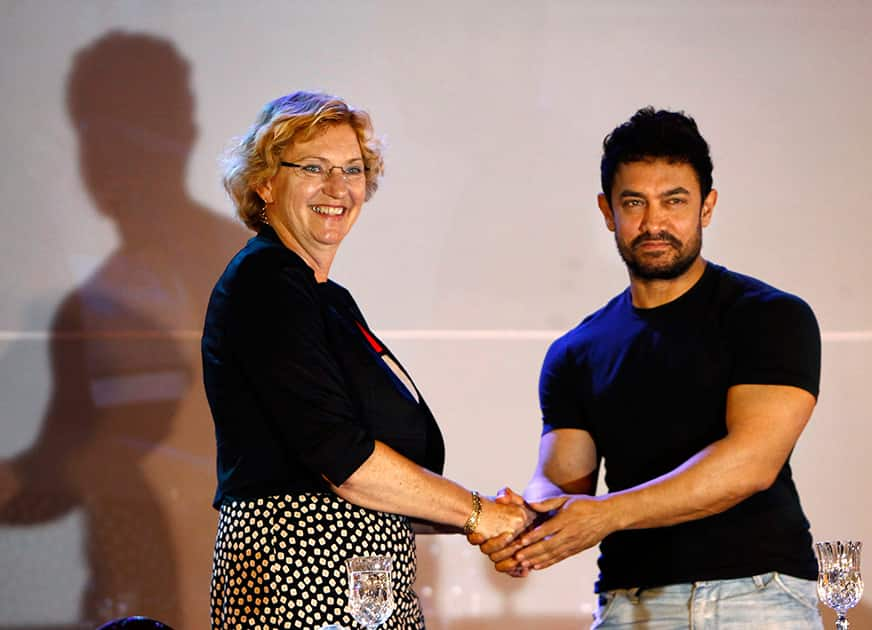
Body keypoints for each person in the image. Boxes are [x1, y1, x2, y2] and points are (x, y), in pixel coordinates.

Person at [474, 107, 823, 628]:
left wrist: (606, 515)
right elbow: (562, 482)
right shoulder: (576, 350)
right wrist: (527, 524)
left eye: (674, 201)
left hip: (754, 596)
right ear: (607, 211)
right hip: (629, 603)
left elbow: (751, 465)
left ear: (707, 207)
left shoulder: (768, 315)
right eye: (633, 202)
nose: (654, 222)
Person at [202, 91, 533, 629]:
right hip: (299, 582)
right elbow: (344, 460)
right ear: (265, 182)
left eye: (352, 170)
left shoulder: (325, 297)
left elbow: (373, 475)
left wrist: (489, 519)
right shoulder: (265, 283)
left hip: (360, 582)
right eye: (314, 168)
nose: (338, 188)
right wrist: (479, 514)